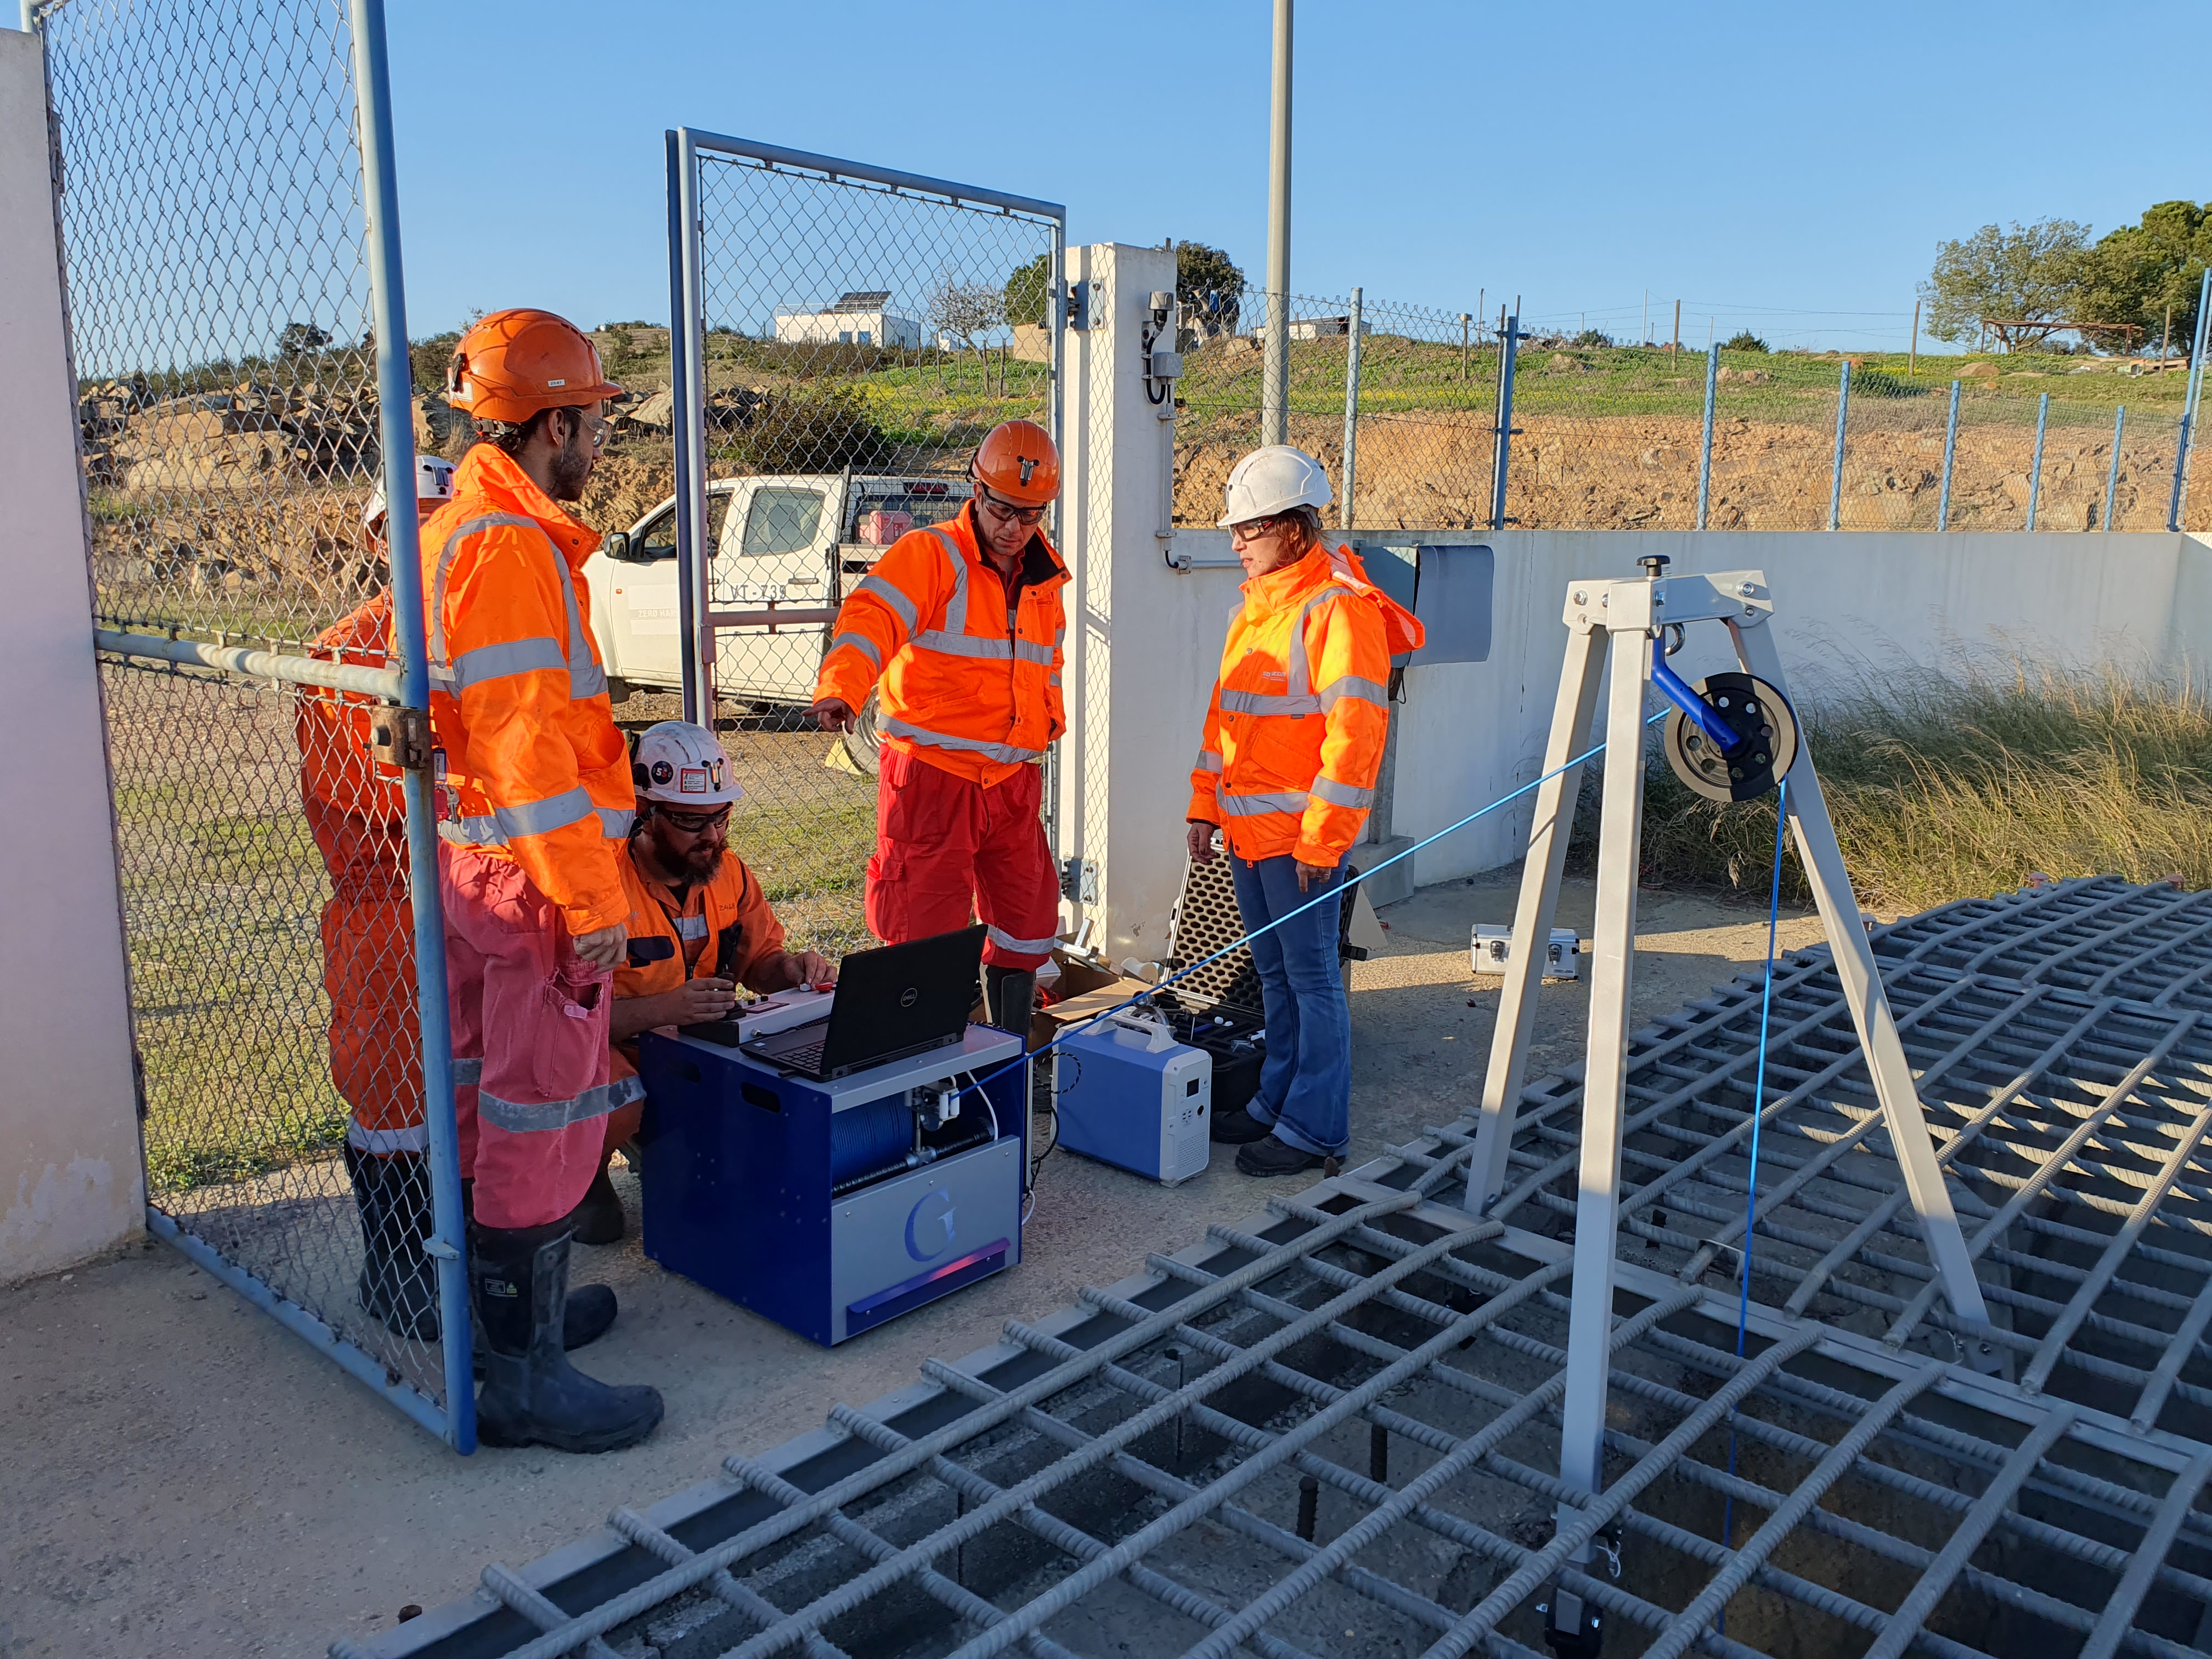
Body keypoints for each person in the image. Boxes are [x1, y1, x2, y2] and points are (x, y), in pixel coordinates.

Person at [419, 307, 660, 1453]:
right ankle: (524, 1384)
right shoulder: (512, 546)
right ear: (550, 423)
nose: (600, 445)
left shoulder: (453, 529)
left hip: (476, 864)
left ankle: (503, 1333)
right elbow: (527, 743)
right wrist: (592, 900)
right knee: (540, 1116)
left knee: (484, 1098)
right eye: (593, 424)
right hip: (535, 879)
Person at [1185, 446, 1423, 1178]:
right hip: (1250, 838)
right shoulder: (1255, 613)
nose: (1235, 543)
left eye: (1247, 529)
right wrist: (1204, 808)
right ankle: (1275, 1103)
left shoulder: (1339, 610)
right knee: (1277, 978)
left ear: (1290, 528)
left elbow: (1356, 742)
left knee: (1314, 982)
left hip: (1299, 847)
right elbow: (1223, 722)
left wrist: (1322, 845)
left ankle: (1315, 1130)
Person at [808, 419, 1068, 1038]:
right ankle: (923, 1061)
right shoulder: (931, 555)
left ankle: (1008, 1052)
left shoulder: (1043, 578)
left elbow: (1045, 662)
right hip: (933, 779)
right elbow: (871, 619)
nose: (1014, 527)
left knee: (1028, 925)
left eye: (1030, 515)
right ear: (976, 492)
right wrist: (843, 687)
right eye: (1002, 509)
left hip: (1011, 781)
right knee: (922, 928)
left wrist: (1047, 721)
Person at [297, 456, 453, 1340]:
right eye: (412, 524)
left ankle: (480, 1274)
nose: (432, 539)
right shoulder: (347, 652)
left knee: (479, 1080)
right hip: (390, 898)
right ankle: (396, 1272)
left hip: (486, 887)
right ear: (377, 541)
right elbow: (380, 797)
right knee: (394, 1089)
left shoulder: (487, 631)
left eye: (444, 520)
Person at [575, 720, 836, 1243]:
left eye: (721, 817)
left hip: (700, 1053)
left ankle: (678, 1144)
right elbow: (568, 1023)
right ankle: (585, 1178)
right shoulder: (598, 889)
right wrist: (664, 1009)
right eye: (692, 822)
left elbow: (761, 961)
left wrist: (789, 971)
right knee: (616, 1106)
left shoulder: (729, 873)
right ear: (644, 813)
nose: (712, 837)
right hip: (615, 1051)